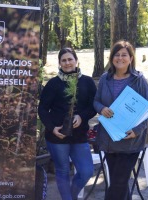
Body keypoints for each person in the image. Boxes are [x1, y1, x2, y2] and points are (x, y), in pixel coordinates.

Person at [93, 40, 148, 200]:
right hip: (109, 140)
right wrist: (101, 108)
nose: (120, 58)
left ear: (131, 58)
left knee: (118, 184)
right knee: (120, 183)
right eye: (117, 55)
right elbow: (96, 101)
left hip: (130, 140)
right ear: (112, 58)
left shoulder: (138, 80)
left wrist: (137, 131)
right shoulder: (105, 79)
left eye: (124, 55)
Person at [38, 47, 97, 200]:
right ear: (59, 63)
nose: (67, 63)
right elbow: (43, 109)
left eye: (70, 59)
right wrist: (52, 128)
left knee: (86, 171)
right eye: (63, 60)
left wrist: (81, 117)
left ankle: (70, 196)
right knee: (63, 170)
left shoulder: (87, 82)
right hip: (57, 136)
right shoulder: (53, 84)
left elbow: (93, 106)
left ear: (76, 61)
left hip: (79, 136)